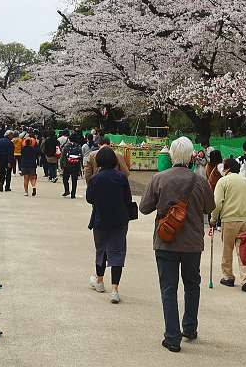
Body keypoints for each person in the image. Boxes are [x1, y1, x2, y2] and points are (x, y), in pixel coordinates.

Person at [139, 136, 215, 353]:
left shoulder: (159, 178)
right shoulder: (200, 181)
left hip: (166, 241)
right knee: (192, 285)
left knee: (168, 288)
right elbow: (209, 207)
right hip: (192, 243)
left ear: (171, 154)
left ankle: (172, 337)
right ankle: (189, 327)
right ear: (192, 155)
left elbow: (144, 208)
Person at [86, 147, 133, 304]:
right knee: (117, 251)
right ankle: (115, 290)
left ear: (98, 161)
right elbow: (128, 199)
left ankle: (99, 281)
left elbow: (89, 199)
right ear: (114, 160)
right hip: (119, 220)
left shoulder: (95, 179)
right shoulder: (121, 178)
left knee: (101, 250)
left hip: (100, 219)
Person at [209, 159, 246, 293]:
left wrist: (213, 219)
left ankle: (228, 276)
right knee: (244, 250)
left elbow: (217, 203)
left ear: (227, 168)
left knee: (227, 249)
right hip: (245, 221)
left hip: (228, 220)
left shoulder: (223, 182)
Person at [60, 133, 84, 199]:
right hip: (76, 165)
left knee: (65, 179)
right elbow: (81, 156)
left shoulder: (67, 146)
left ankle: (67, 190)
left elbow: (62, 156)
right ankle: (73, 194)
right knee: (74, 180)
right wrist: (81, 166)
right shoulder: (79, 147)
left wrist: (61, 165)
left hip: (67, 165)